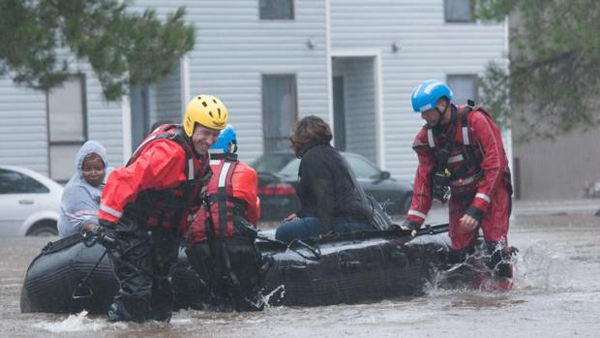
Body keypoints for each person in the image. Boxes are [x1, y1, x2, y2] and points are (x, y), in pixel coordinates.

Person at [96, 94, 228, 322]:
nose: (210, 140)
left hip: (162, 231)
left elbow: (189, 202)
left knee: (162, 292)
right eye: (205, 133)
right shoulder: (168, 154)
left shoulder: (199, 157)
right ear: (190, 125)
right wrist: (107, 224)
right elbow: (121, 180)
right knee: (137, 291)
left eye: (215, 134)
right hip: (132, 224)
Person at [402, 79, 514, 288]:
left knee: (495, 249)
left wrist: (478, 208)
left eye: (426, 111)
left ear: (442, 104)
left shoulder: (476, 121)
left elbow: (495, 165)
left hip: (493, 189)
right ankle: (471, 297)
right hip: (461, 194)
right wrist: (412, 222)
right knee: (459, 254)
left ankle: (504, 294)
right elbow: (423, 182)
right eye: (421, 113)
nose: (423, 117)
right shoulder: (426, 139)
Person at [186, 124, 264, 312]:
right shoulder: (245, 172)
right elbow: (252, 213)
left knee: (214, 304)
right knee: (249, 304)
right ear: (231, 146)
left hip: (199, 248)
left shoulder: (191, 170)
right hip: (235, 246)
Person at [275, 116, 374, 242]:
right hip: (357, 220)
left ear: (300, 138)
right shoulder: (330, 152)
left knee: (284, 232)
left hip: (343, 222)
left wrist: (325, 236)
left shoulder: (313, 158)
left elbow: (325, 198)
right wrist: (300, 215)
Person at [58, 141, 113, 237]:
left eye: (98, 168)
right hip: (79, 244)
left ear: (105, 167)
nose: (93, 173)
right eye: (88, 169)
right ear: (80, 169)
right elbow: (89, 225)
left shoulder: (111, 177)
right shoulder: (75, 190)